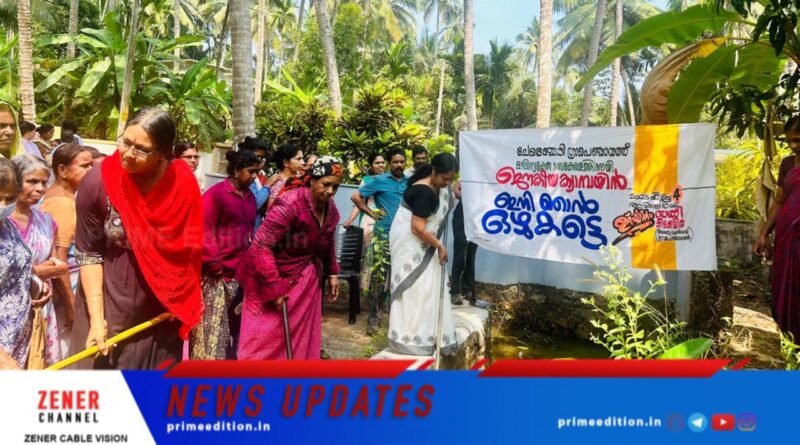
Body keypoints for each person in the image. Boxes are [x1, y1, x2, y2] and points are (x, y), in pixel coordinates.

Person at [74, 108, 203, 369]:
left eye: (142, 149)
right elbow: (89, 253)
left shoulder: (183, 183)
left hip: (163, 309)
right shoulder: (98, 182)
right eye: (126, 142)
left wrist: (181, 297)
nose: (129, 154)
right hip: (108, 306)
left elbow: (189, 249)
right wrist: (97, 320)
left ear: (164, 153)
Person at [237, 156, 343, 360]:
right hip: (274, 278)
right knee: (263, 344)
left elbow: (328, 238)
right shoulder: (290, 203)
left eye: (335, 187)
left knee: (298, 344)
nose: (331, 191)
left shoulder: (330, 208)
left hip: (307, 283)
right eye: (326, 184)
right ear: (312, 179)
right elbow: (261, 246)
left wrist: (332, 272)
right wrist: (275, 287)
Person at [191, 149, 260, 360]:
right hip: (217, 274)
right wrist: (214, 263)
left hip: (239, 274)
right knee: (211, 330)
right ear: (236, 170)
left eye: (257, 172)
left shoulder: (250, 197)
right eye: (251, 171)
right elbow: (204, 230)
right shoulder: (216, 195)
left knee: (232, 328)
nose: (255, 176)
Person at [388, 153, 459, 355]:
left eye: (451, 179)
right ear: (434, 171)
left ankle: (430, 335)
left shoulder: (438, 186)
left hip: (425, 244)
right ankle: (409, 338)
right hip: (412, 245)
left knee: (429, 289)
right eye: (444, 178)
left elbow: (451, 196)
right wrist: (440, 246)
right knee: (416, 290)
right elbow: (417, 228)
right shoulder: (423, 192)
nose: (447, 183)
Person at [9, 154, 67, 368]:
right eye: (32, 181)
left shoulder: (46, 221)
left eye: (44, 182)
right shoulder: (4, 222)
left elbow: (56, 262)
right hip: (7, 310)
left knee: (35, 362)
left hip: (40, 306)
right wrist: (36, 272)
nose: (40, 188)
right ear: (15, 181)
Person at [40, 144, 94, 358]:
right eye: (84, 166)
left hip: (67, 287)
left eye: (92, 165)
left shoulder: (68, 196)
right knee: (65, 351)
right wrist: (70, 303)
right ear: (62, 170)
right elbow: (59, 259)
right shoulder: (62, 203)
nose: (91, 170)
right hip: (64, 291)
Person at [350, 148, 408, 335]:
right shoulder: (379, 180)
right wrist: (371, 213)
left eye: (402, 162)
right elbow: (355, 197)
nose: (399, 165)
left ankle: (394, 317)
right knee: (378, 277)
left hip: (404, 237)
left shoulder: (409, 182)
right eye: (395, 162)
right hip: (383, 235)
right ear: (390, 163)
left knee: (399, 275)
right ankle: (374, 318)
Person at [754, 116, 800, 339]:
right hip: (786, 236)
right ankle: (785, 336)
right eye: (788, 140)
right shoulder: (787, 164)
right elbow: (779, 201)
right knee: (784, 284)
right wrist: (764, 234)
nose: (792, 145)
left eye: (797, 140)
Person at [0, 157, 40, 369]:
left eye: (10, 198)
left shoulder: (7, 226)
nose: (3, 205)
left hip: (13, 342)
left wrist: (33, 282)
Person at [344, 152, 386, 293]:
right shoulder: (367, 180)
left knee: (384, 254)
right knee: (368, 254)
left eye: (382, 162)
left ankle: (381, 289)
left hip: (386, 221)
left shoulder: (390, 180)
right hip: (369, 221)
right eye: (377, 163)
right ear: (371, 165)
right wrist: (350, 219)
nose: (380, 165)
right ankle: (366, 289)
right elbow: (358, 203)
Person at [450, 181, 479, 306]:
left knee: (471, 256)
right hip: (461, 219)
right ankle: (455, 292)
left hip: (477, 222)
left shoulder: (488, 179)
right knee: (460, 255)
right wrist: (466, 199)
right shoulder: (471, 176)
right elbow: (455, 188)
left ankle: (467, 290)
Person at [238, 137, 271, 232]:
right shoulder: (245, 177)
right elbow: (255, 204)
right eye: (257, 157)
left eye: (263, 157)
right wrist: (268, 186)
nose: (261, 160)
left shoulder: (262, 174)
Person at [266, 143, 304, 210]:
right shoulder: (278, 182)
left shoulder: (300, 177)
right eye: (299, 159)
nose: (303, 162)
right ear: (286, 162)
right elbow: (271, 210)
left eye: (302, 158)